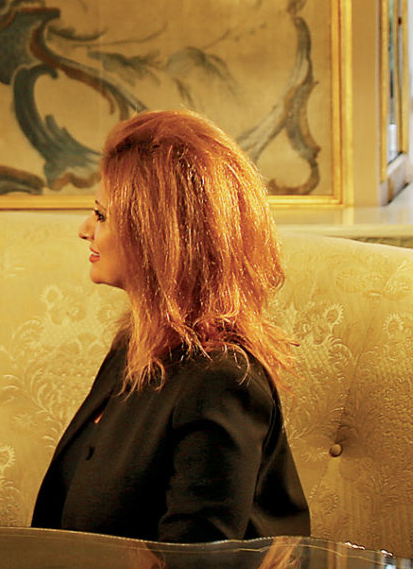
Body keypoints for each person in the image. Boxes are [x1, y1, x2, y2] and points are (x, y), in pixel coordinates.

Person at [32, 110, 310, 543]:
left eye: (101, 215)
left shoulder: (221, 383)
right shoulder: (136, 345)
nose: (85, 230)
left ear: (156, 236)